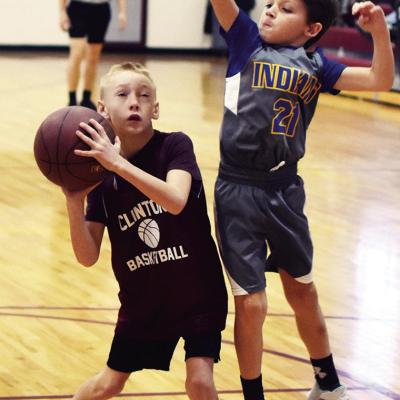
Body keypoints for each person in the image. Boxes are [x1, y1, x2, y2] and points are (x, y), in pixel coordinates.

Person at [210, 0, 394, 399]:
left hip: (285, 190)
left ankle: (328, 384)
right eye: (271, 3)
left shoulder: (318, 65)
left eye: (286, 8)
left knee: (302, 291)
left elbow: (380, 79)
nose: (271, 11)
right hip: (237, 189)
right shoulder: (245, 40)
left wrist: (378, 29)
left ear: (311, 29)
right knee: (252, 304)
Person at [62, 62, 228, 400]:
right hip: (144, 301)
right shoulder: (99, 178)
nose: (134, 102)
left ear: (156, 109)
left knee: (199, 380)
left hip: (198, 291)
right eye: (122, 95)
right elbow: (87, 256)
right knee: (107, 385)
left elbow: (176, 200)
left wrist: (117, 164)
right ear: (102, 108)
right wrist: (73, 199)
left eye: (144, 95)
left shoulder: (175, 146)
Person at [59, 0, 127, 110]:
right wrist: (62, 11)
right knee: (77, 53)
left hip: (101, 10)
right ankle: (72, 99)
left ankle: (86, 98)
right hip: (78, 8)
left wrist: (122, 12)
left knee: (93, 57)